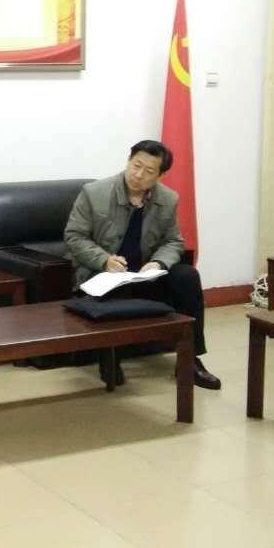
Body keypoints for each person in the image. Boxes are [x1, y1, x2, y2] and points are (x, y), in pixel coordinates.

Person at [64, 140, 220, 390]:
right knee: (116, 286)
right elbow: (74, 236)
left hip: (144, 275)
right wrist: (104, 259)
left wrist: (158, 262)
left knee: (187, 276)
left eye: (149, 171)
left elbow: (173, 241)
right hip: (102, 273)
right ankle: (110, 358)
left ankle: (190, 359)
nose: (139, 175)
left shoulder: (167, 199)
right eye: (136, 166)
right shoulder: (94, 193)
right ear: (128, 161)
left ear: (160, 175)